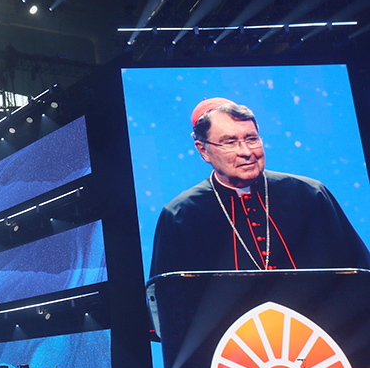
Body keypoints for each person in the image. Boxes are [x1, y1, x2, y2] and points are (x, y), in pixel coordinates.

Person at [150, 99, 370, 277]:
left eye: (252, 138)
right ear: (203, 150)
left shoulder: (309, 194)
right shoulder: (181, 214)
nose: (246, 151)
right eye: (229, 142)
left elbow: (358, 270)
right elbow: (169, 299)